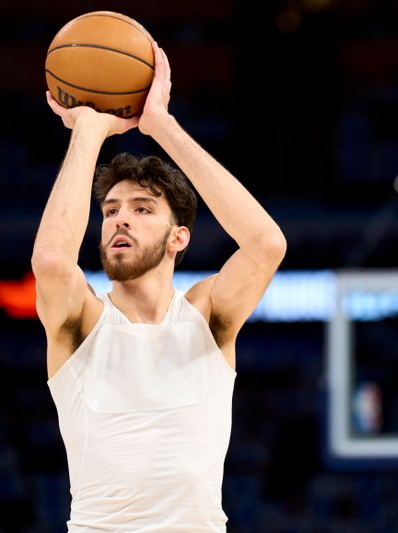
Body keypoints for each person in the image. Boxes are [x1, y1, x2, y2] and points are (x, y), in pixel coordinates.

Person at [32, 41, 287, 532]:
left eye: (142, 209)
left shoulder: (206, 318)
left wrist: (161, 126)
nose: (120, 219)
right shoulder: (82, 324)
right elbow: (50, 260)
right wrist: (88, 130)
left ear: (179, 238)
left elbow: (266, 244)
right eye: (110, 211)